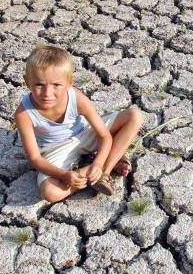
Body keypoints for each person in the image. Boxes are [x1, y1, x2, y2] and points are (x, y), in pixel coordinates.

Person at [13, 44, 143, 202]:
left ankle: (104, 172)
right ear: (27, 82)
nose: (47, 93)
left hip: (85, 133)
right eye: (39, 85)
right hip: (56, 149)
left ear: (69, 83)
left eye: (56, 85)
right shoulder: (23, 114)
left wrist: (98, 164)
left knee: (134, 116)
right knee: (50, 193)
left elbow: (104, 136)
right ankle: (104, 163)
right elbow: (35, 159)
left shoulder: (76, 98)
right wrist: (65, 175)